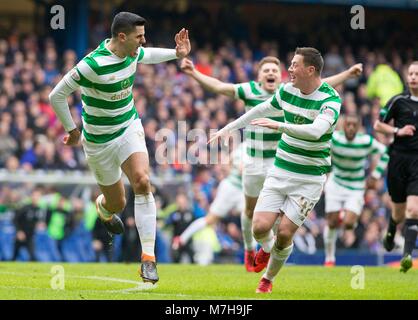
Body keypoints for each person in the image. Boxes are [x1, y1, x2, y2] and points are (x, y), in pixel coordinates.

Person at [181, 56, 362, 271]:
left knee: (275, 217)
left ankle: (271, 251)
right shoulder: (249, 91)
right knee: (250, 211)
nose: (270, 73)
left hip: (280, 161)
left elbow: (320, 84)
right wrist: (194, 73)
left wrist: (347, 74)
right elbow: (220, 86)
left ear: (280, 76)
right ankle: (250, 249)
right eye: (266, 70)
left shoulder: (290, 90)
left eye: (274, 70)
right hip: (254, 161)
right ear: (259, 76)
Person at [49, 12, 191, 283]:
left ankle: (148, 259)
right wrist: (72, 129)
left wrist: (177, 52)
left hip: (128, 128)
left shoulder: (132, 53)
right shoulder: (91, 65)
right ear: (122, 37)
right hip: (98, 141)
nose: (144, 41)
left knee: (142, 181)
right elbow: (56, 95)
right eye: (139, 36)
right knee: (117, 203)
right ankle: (103, 208)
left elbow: (147, 56)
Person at [209, 47, 341, 293]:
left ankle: (267, 280)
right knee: (259, 227)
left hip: (310, 178)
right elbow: (260, 109)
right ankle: (266, 250)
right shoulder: (287, 90)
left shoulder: (330, 100)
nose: (288, 69)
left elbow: (315, 131)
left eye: (294, 65)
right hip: (280, 169)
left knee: (284, 234)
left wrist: (279, 125)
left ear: (310, 70)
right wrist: (229, 128)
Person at [323, 114, 389, 266]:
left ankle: (343, 216)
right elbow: (320, 150)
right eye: (348, 125)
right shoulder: (334, 139)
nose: (351, 128)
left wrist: (375, 175)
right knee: (331, 223)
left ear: (359, 127)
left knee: (348, 224)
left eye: (354, 125)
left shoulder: (365, 141)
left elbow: (386, 153)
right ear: (343, 125)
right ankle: (329, 258)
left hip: (356, 187)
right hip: (336, 183)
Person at [373, 61, 418, 273]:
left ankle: (407, 254)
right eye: (411, 73)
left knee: (414, 209)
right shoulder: (398, 101)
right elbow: (378, 125)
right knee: (399, 213)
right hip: (398, 160)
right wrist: (397, 131)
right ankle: (391, 230)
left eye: (417, 74)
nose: (413, 77)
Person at [171, 144, 247, 266]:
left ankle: (252, 251)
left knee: (253, 218)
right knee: (210, 219)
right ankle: (182, 239)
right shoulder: (244, 149)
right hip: (234, 188)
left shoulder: (252, 149)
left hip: (242, 190)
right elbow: (237, 167)